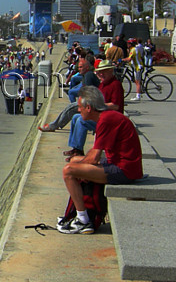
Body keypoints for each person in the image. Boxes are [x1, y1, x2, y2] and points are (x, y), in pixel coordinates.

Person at [60, 86, 143, 234]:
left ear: (89, 108)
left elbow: (94, 158)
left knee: (68, 171)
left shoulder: (106, 120)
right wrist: (81, 166)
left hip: (124, 170)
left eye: (80, 107)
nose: (79, 111)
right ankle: (80, 213)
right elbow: (94, 152)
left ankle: (82, 220)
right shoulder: (105, 117)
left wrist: (83, 171)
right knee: (74, 161)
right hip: (119, 163)